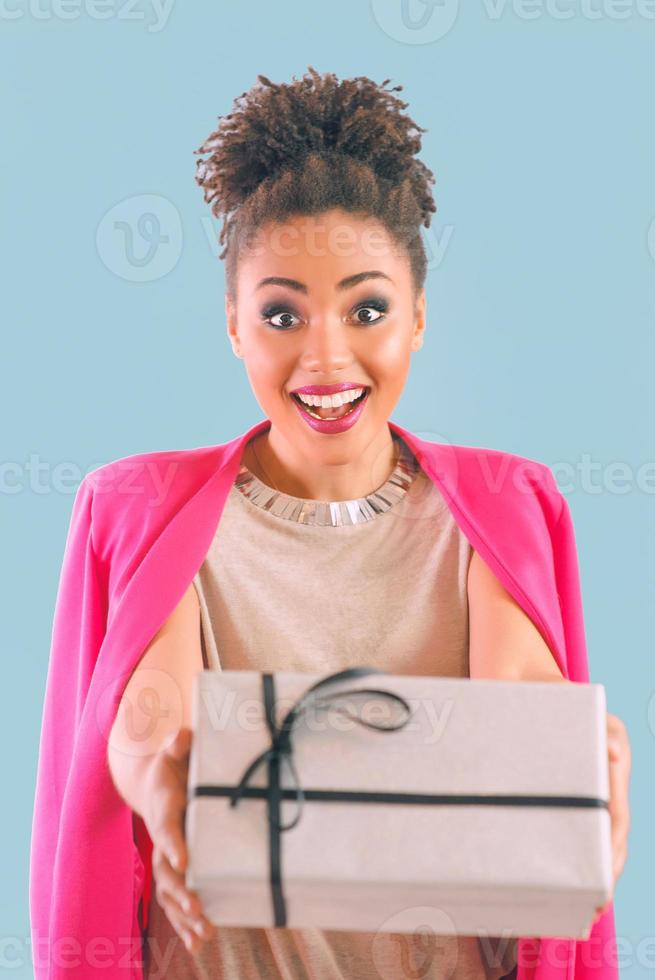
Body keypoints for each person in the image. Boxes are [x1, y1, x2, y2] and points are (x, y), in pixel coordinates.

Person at [31, 68, 631, 980]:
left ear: (418, 316)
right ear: (233, 323)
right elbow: (155, 710)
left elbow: (520, 693)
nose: (325, 357)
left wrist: (577, 766)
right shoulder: (149, 512)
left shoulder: (496, 510)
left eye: (368, 309)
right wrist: (159, 780)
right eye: (281, 313)